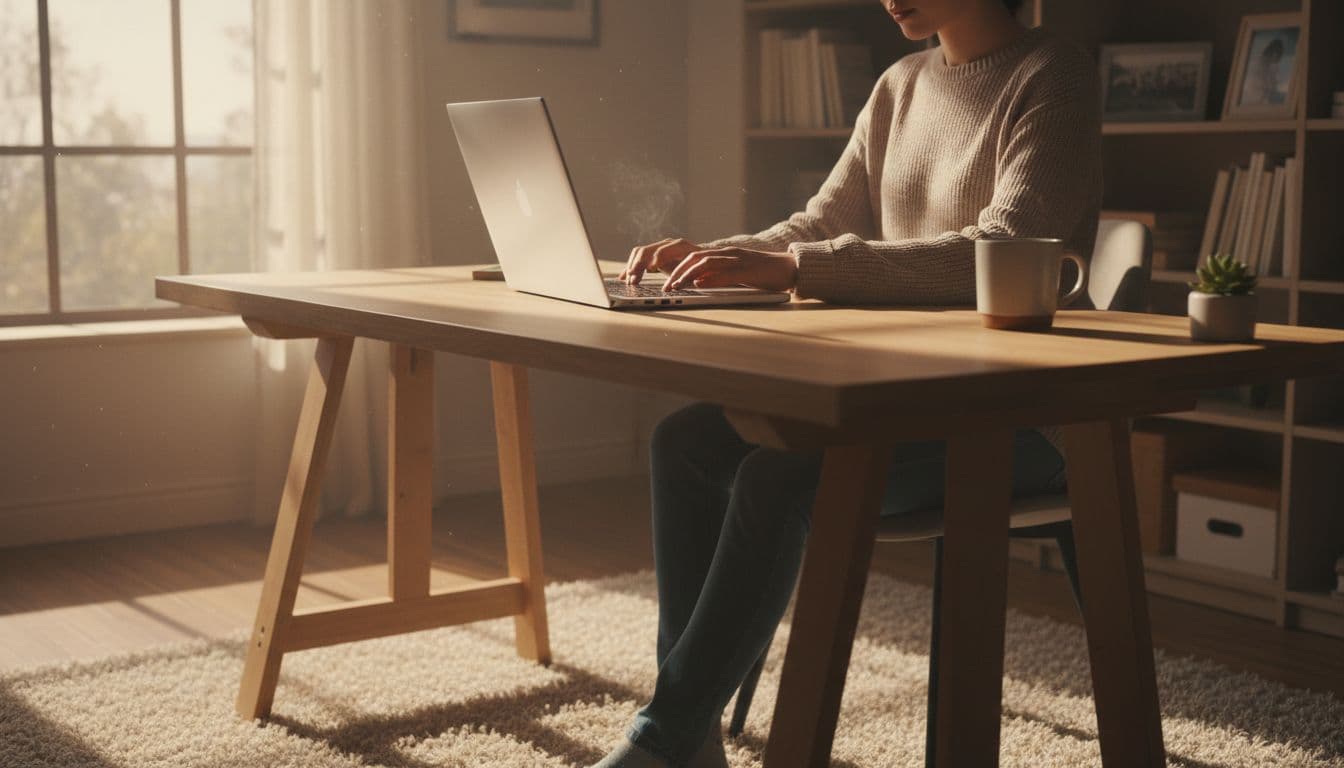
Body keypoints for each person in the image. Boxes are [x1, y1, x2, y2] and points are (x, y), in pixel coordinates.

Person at [593, 0, 1101, 765]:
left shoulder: (1051, 74)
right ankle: (691, 735)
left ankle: (663, 740)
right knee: (688, 441)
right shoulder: (900, 85)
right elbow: (816, 225)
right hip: (904, 400)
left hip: (1022, 418)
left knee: (778, 479)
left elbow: (1004, 246)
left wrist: (802, 266)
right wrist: (710, 257)